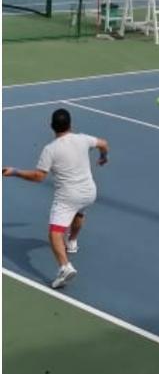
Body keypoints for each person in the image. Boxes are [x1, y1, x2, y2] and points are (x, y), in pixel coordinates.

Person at [2, 108, 110, 289]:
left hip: (68, 196)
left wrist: (15, 172)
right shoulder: (83, 139)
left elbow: (38, 176)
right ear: (71, 125)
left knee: (54, 233)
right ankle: (73, 242)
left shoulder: (50, 150)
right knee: (79, 213)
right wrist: (103, 157)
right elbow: (104, 143)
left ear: (52, 127)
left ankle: (65, 267)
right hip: (89, 192)